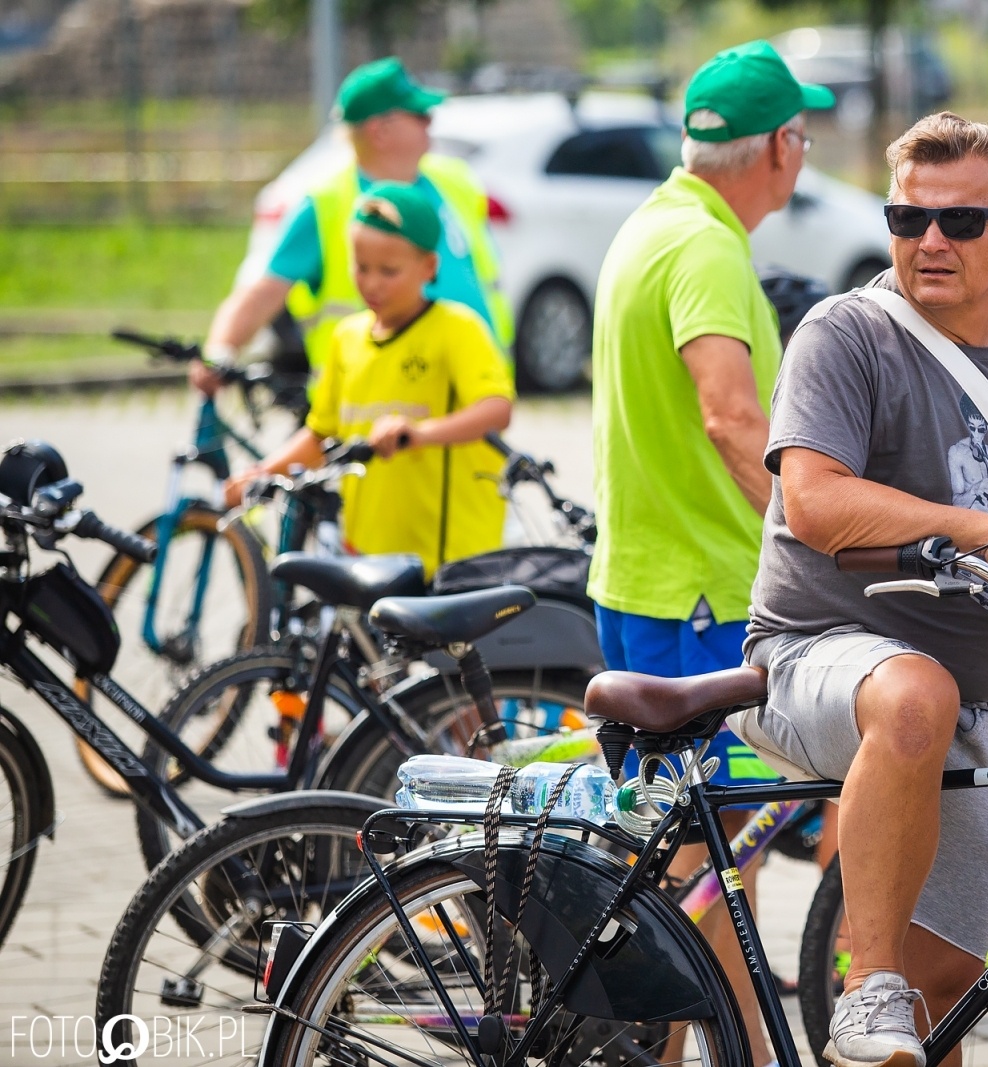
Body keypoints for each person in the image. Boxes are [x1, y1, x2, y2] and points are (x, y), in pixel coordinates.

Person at [735, 111, 988, 1067]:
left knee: (946, 988)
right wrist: (981, 530)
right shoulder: (845, 334)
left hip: (983, 691)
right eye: (908, 221)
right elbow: (815, 503)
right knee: (916, 694)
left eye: (959, 222)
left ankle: (891, 1002)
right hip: (820, 653)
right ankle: (865, 988)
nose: (930, 242)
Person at [586, 39, 835, 1065]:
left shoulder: (653, 222)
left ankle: (705, 1051)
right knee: (711, 857)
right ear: (780, 146)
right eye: (804, 134)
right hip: (700, 589)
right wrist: (813, 535)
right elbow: (733, 419)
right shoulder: (708, 250)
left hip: (647, 578)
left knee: (709, 853)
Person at [222, 183, 513, 575]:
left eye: (389, 271)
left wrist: (420, 433)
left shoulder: (458, 328)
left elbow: (496, 409)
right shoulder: (347, 338)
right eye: (361, 267)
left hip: (451, 559)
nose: (372, 283)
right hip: (368, 557)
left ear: (429, 267)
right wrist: (263, 474)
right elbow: (321, 434)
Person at [195, 57, 510, 392]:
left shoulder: (456, 181)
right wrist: (220, 350)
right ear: (381, 130)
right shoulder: (327, 205)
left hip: (472, 395)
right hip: (372, 410)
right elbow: (264, 291)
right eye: (420, 115)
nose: (430, 123)